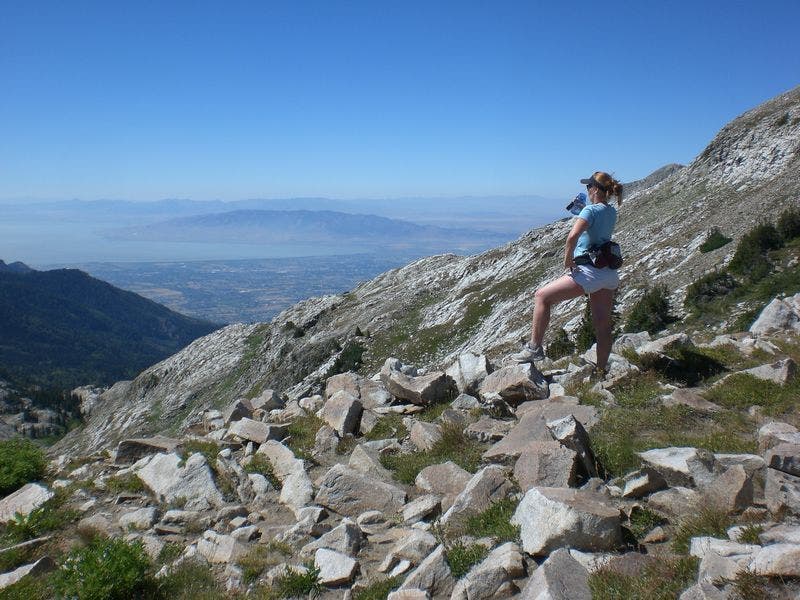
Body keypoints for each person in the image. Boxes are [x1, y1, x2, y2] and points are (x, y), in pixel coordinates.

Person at [511, 171, 623, 376]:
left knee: (542, 296)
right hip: (608, 273)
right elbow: (597, 226)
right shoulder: (611, 210)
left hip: (588, 271)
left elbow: (572, 237)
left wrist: (567, 260)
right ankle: (600, 371)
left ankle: (535, 348)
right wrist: (582, 211)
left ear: (596, 189)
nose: (587, 190)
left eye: (589, 187)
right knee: (602, 324)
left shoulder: (589, 212)